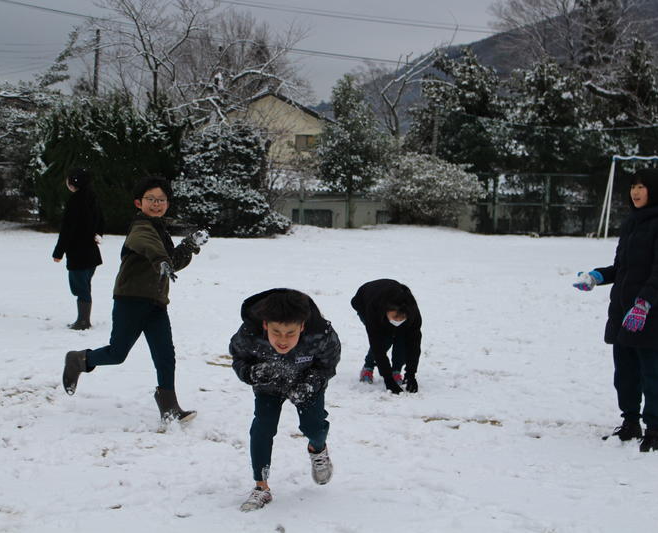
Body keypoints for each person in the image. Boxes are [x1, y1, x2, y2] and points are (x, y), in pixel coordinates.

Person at [61, 176, 209, 423]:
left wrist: (189, 245)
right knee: (117, 354)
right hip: (131, 300)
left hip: (156, 302)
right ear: (139, 203)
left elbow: (171, 261)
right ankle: (80, 359)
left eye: (161, 200)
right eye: (151, 199)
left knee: (165, 355)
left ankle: (169, 407)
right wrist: (160, 260)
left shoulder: (160, 228)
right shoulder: (140, 227)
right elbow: (147, 245)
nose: (156, 204)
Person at [573, 168, 658, 452]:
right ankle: (630, 422)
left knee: (653, 376)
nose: (635, 192)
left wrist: (643, 304)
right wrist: (597, 276)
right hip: (624, 313)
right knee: (625, 375)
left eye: (642, 186)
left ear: (655, 190)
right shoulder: (632, 222)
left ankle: (654, 430)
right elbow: (622, 268)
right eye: (633, 186)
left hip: (654, 315)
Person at [230, 289, 340, 512]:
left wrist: (310, 384)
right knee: (263, 427)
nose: (282, 340)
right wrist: (252, 373)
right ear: (265, 325)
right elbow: (239, 357)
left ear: (302, 326)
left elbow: (328, 363)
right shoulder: (250, 332)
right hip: (268, 385)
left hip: (306, 384)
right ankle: (261, 486)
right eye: (276, 332)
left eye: (290, 333)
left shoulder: (321, 333)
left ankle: (317, 449)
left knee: (313, 426)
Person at [52, 168, 105, 330]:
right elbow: (101, 219)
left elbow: (67, 230)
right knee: (85, 285)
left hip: (78, 253)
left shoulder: (75, 202)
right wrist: (97, 234)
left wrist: (58, 252)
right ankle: (83, 319)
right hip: (91, 252)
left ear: (73, 183)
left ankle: (83, 321)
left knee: (79, 287)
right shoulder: (92, 198)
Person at [351, 279, 422, 394]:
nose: (398, 321)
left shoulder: (413, 314)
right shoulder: (374, 310)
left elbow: (414, 345)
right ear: (387, 310)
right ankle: (368, 367)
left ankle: (396, 371)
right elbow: (377, 345)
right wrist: (388, 379)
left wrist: (411, 375)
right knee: (385, 340)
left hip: (386, 299)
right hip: (364, 300)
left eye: (402, 318)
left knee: (402, 339)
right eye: (395, 317)